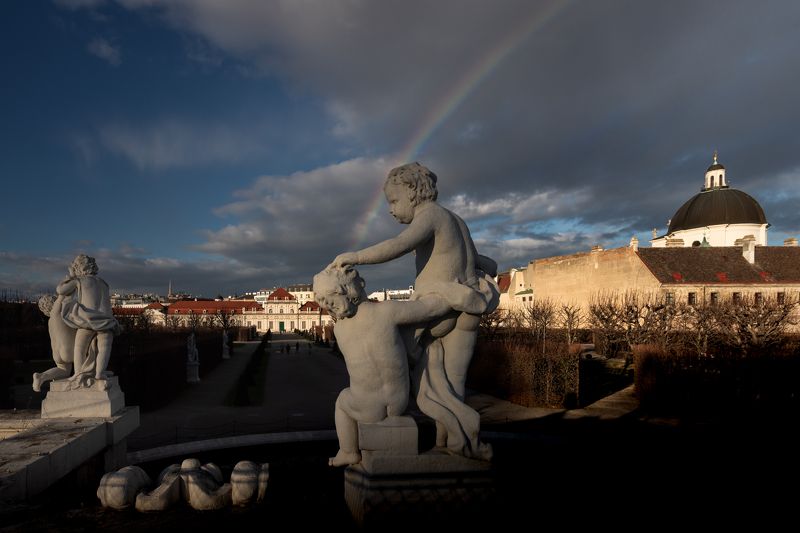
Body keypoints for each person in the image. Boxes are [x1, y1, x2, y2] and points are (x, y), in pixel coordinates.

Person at [330, 162, 498, 459]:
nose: (391, 209)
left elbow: (399, 245)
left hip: (435, 307)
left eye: (394, 201)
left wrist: (355, 256)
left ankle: (383, 408)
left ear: (413, 191)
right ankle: (454, 443)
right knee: (452, 381)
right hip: (466, 305)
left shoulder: (430, 215)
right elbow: (485, 263)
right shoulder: (456, 219)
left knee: (387, 342)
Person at [314, 265, 486, 467]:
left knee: (342, 401)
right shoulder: (386, 311)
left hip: (367, 404)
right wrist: (454, 290)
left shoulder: (340, 331)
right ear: (354, 287)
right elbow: (431, 309)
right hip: (399, 400)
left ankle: (348, 451)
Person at [57, 254, 118, 385]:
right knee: (104, 348)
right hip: (107, 320)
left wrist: (71, 276)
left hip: (88, 319)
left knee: (79, 348)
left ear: (78, 268)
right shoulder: (103, 283)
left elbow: (61, 290)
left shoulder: (80, 280)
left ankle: (79, 374)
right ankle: (100, 373)